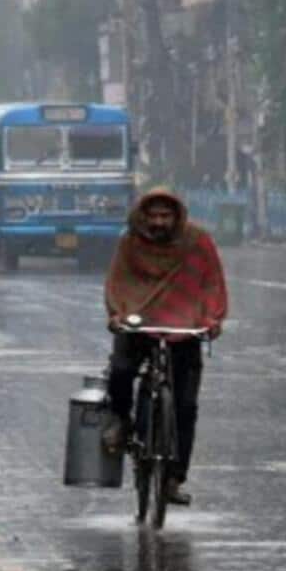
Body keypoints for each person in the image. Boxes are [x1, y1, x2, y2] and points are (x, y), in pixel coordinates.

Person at [101, 189, 229, 507]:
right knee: (121, 369)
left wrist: (212, 317)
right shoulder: (130, 243)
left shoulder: (197, 242)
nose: (159, 223)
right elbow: (117, 282)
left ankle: (173, 478)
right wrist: (117, 313)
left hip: (184, 328)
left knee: (186, 406)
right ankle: (120, 420)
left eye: (165, 216)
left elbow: (212, 281)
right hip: (138, 324)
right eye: (153, 216)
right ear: (143, 218)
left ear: (176, 217)